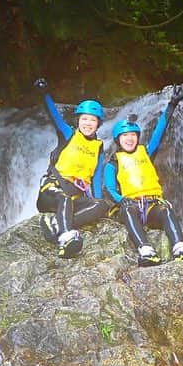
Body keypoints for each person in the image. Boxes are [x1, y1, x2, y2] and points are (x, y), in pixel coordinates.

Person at [103, 88, 183, 266]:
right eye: (125, 136)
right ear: (118, 140)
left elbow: (159, 132)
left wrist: (172, 105)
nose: (129, 139)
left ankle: (180, 247)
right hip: (131, 206)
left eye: (132, 135)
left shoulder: (145, 152)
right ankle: (145, 250)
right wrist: (122, 200)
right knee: (128, 211)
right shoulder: (113, 162)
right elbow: (109, 188)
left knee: (166, 210)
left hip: (152, 205)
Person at [34, 78, 111, 258]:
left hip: (76, 198)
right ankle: (66, 236)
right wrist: (44, 94)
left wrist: (99, 204)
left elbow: (96, 179)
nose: (88, 123)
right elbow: (55, 116)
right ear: (78, 120)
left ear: (98, 124)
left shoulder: (98, 148)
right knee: (65, 198)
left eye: (92, 120)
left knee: (101, 206)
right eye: (84, 119)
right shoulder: (68, 134)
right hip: (51, 191)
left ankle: (56, 223)